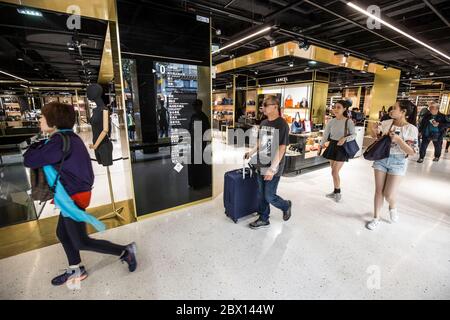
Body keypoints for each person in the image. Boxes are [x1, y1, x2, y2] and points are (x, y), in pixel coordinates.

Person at [23, 102, 137, 286]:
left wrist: (33, 147)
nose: (39, 120)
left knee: (81, 241)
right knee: (62, 233)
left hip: (72, 196)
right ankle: (76, 268)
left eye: (42, 117)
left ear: (53, 121)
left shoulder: (59, 141)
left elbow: (30, 159)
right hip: (72, 194)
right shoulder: (68, 138)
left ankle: (126, 251)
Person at [366, 100, 418, 231]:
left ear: (403, 112)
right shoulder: (386, 123)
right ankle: (376, 218)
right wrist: (374, 131)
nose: (391, 110)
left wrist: (399, 140)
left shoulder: (411, 129)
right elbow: (378, 140)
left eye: (395, 108)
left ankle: (392, 207)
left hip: (398, 161)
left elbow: (412, 152)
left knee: (388, 194)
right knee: (378, 191)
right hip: (381, 158)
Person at [244, 96, 292, 229]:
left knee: (269, 195)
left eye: (266, 105)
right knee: (261, 193)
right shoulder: (264, 123)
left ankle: (286, 205)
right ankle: (264, 218)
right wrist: (251, 152)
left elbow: (282, 148)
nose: (263, 107)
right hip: (261, 162)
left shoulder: (282, 124)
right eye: (262, 105)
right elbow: (260, 143)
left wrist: (272, 168)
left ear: (275, 106)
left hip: (274, 165)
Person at [320, 100, 356, 202]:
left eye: (338, 107)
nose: (335, 109)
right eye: (334, 107)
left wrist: (345, 139)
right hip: (332, 146)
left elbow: (354, 135)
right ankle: (335, 190)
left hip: (342, 147)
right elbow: (325, 134)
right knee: (334, 172)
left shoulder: (348, 121)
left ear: (344, 109)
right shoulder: (331, 121)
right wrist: (321, 145)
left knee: (334, 171)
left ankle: (338, 193)